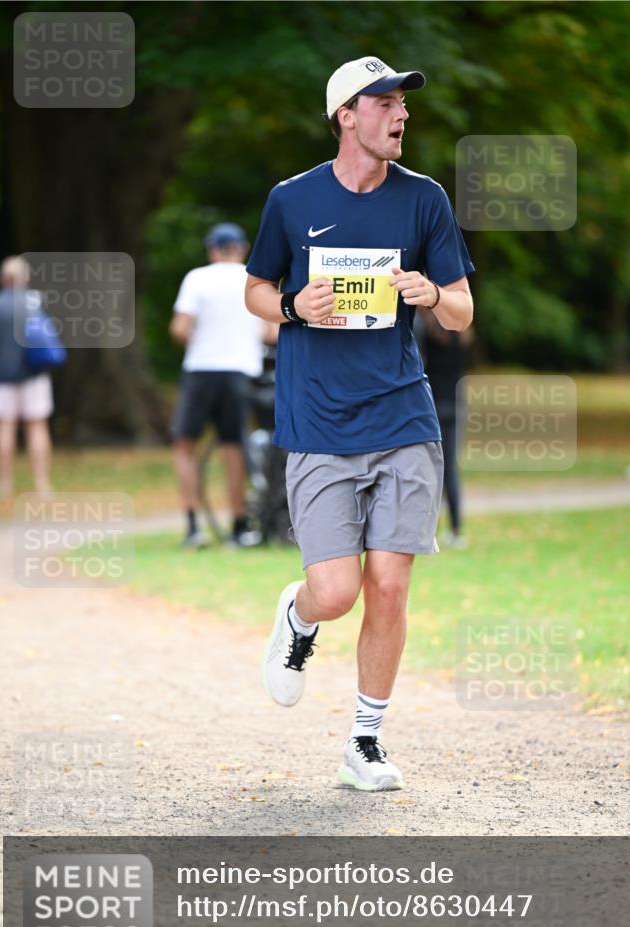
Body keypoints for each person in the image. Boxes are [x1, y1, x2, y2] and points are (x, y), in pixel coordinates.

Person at [245, 56, 475, 791]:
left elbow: (463, 311)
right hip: (316, 421)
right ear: (346, 114)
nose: (400, 113)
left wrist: (430, 290)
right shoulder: (290, 199)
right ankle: (299, 614)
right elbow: (254, 288)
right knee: (337, 590)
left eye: (403, 103)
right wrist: (289, 308)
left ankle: (364, 742)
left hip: (403, 415)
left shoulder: (424, 200)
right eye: (384, 102)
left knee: (390, 585)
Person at [170, 223, 273, 548]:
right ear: (242, 249)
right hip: (241, 371)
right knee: (234, 447)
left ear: (213, 250)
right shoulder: (255, 279)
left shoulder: (197, 278)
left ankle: (192, 526)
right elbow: (271, 333)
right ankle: (239, 526)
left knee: (184, 446)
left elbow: (180, 328)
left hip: (201, 370)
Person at [0, 256, 54, 499]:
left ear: (2, 278)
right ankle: (42, 485)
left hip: (2, 376)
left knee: (5, 428)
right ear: (25, 278)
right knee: (37, 427)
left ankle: (4, 485)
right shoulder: (34, 303)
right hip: (34, 375)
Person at [415, 304, 471, 548]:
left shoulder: (424, 335)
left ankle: (431, 529)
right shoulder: (462, 336)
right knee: (451, 472)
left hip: (433, 408)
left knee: (431, 471)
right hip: (455, 406)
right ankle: (456, 530)